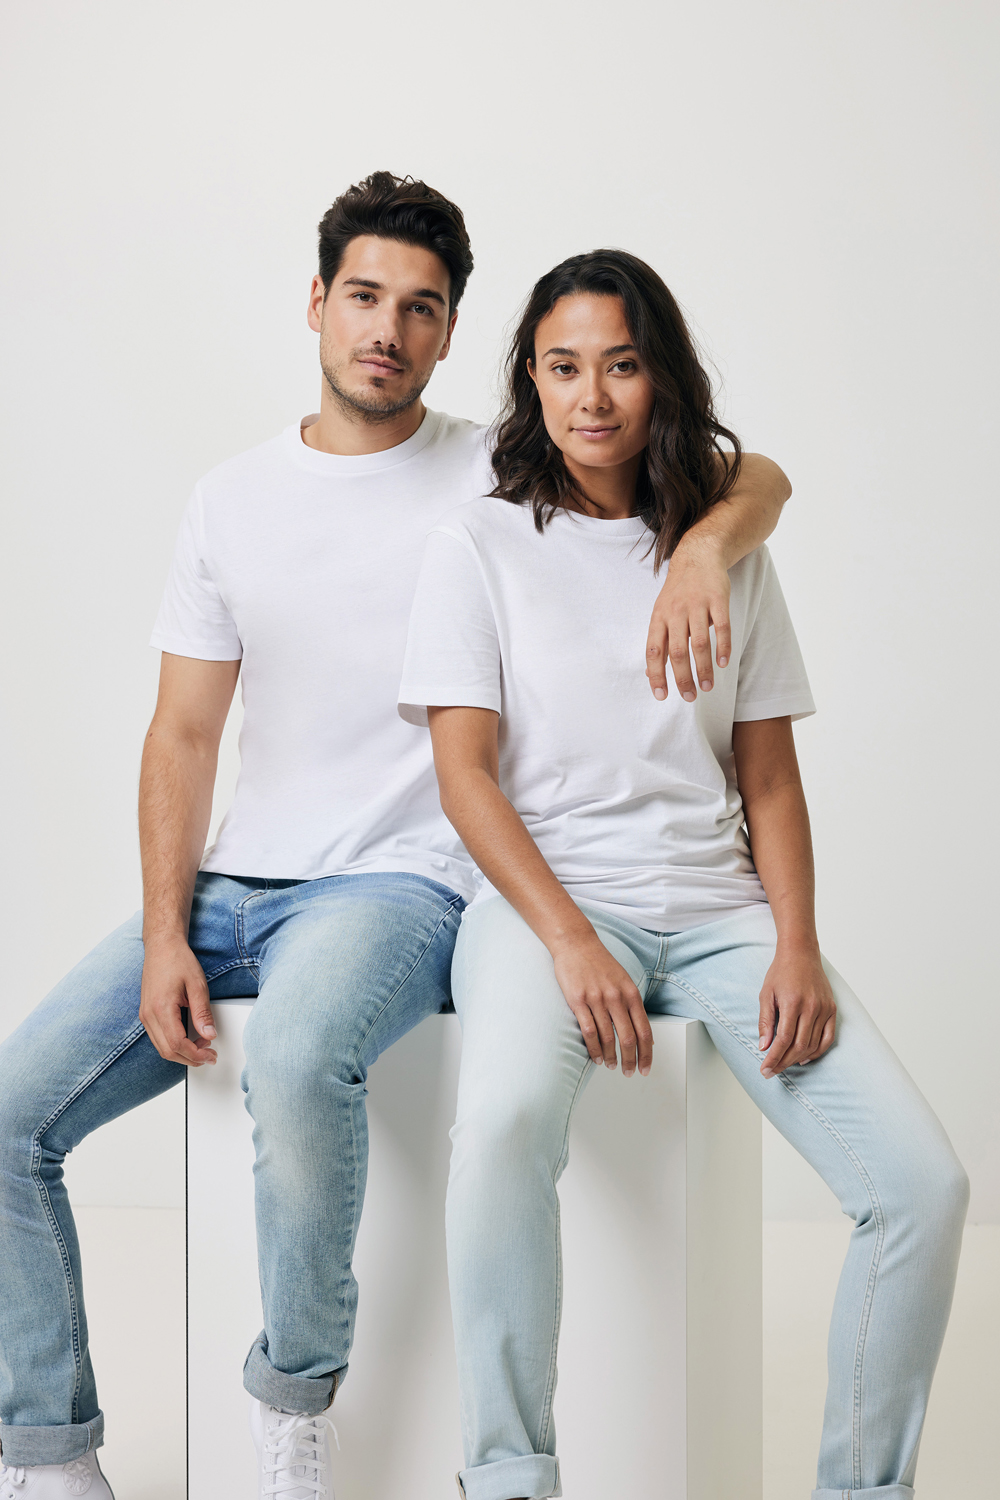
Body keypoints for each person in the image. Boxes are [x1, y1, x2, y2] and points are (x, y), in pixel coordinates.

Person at [0, 181, 791, 1500]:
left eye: (421, 309)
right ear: (317, 303)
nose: (388, 330)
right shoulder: (230, 499)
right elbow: (183, 737)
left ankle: (291, 1405)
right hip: (233, 885)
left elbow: (756, 475)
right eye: (365, 297)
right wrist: (165, 928)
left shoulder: (505, 472)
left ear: (451, 333)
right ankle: (48, 1452)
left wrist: (707, 551)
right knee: (10, 1117)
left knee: (297, 1058)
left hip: (400, 885)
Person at [398, 248, 970, 1500]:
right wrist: (569, 941)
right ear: (529, 380)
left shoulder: (728, 554)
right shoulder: (477, 544)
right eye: (562, 367)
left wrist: (795, 944)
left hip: (720, 914)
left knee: (921, 1188)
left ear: (661, 376)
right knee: (500, 1127)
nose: (591, 396)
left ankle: (862, 1490)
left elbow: (769, 782)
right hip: (545, 907)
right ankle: (509, 1475)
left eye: (621, 365)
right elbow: (465, 779)